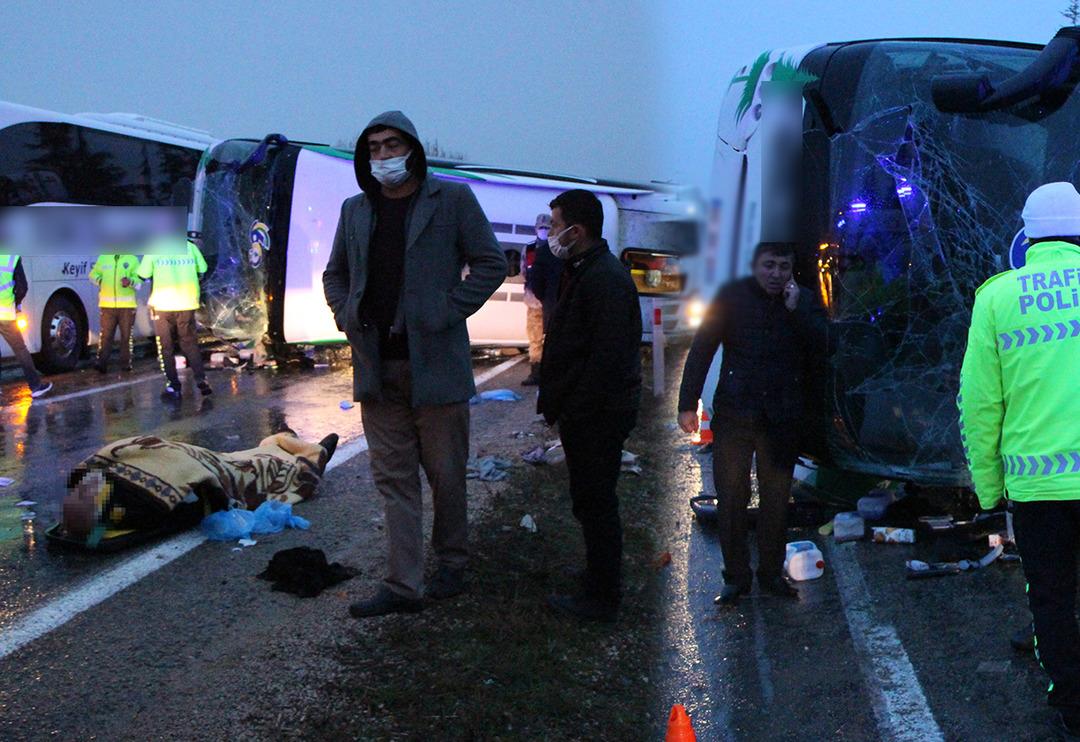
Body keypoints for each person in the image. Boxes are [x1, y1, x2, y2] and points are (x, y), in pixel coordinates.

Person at [322, 111, 506, 618]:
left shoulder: (452, 200)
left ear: (413, 149)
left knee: (446, 474)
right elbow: (335, 274)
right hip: (377, 370)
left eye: (391, 145)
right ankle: (404, 586)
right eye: (374, 148)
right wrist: (345, 314)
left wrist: (446, 310)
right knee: (394, 480)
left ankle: (451, 562)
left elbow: (491, 262)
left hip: (436, 365)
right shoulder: (355, 210)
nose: (382, 155)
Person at [958, 181, 1080, 737]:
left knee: (1051, 598)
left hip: (1038, 492)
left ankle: (1071, 704)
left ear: (1027, 235)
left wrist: (988, 491)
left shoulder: (997, 297)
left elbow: (981, 405)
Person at [678, 242, 826, 606]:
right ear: (755, 266)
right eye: (769, 266)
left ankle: (772, 575)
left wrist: (797, 312)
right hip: (735, 414)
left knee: (776, 501)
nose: (776, 274)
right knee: (731, 498)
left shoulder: (803, 301)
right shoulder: (731, 297)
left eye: (784, 267)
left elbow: (826, 346)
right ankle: (736, 578)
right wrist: (687, 403)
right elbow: (702, 348)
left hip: (782, 418)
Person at [538, 189, 642, 623]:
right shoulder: (585, 269)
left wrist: (575, 410)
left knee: (597, 503)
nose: (551, 233)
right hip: (587, 412)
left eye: (555, 224)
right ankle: (596, 577)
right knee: (589, 500)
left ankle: (601, 598)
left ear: (576, 231)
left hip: (597, 415)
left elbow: (606, 359)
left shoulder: (605, 278)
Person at [138, 238, 211, 401]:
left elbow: (142, 274)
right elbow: (203, 268)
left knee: (166, 347)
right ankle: (201, 380)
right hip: (186, 303)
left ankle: (173, 385)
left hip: (163, 305)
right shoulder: (190, 247)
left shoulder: (154, 247)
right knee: (189, 343)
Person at [0, 254, 51, 399]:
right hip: (5, 313)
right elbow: (22, 287)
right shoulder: (12, 258)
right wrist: (16, 303)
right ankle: (35, 386)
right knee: (20, 349)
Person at [521, 213, 561, 386]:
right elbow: (525, 271)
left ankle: (552, 373)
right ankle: (535, 372)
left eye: (547, 227)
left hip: (553, 301)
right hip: (534, 301)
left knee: (554, 338)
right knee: (535, 337)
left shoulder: (558, 249)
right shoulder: (529, 249)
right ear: (535, 228)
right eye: (541, 227)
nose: (544, 231)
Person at [90, 253, 141, 373]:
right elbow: (92, 275)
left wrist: (130, 282)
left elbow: (139, 281)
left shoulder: (132, 259)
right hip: (107, 306)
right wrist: (100, 280)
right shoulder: (103, 258)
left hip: (127, 306)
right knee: (106, 336)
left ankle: (125, 363)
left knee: (126, 336)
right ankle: (101, 363)